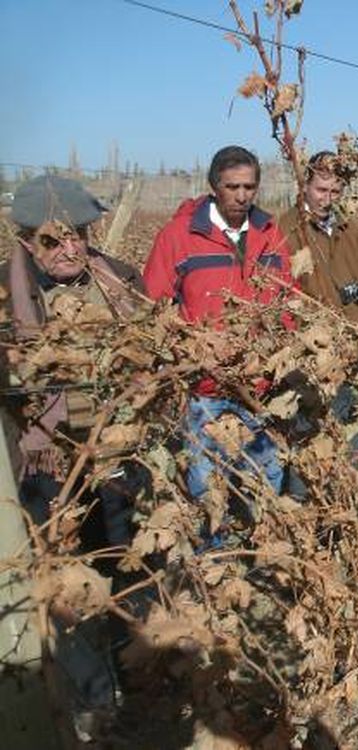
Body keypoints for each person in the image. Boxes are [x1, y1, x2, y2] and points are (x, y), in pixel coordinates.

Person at [1, 175, 150, 729]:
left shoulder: (120, 282)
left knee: (131, 567)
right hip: (45, 469)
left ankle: (136, 671)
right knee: (63, 584)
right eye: (52, 240)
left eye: (79, 235)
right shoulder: (3, 296)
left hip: (118, 458)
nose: (70, 249)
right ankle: (93, 697)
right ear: (25, 242)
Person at [143, 145, 294, 504]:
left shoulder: (270, 235)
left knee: (267, 481)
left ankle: (263, 554)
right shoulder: (179, 237)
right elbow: (153, 309)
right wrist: (188, 355)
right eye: (232, 187)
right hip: (206, 392)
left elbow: (289, 302)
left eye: (249, 187)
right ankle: (212, 558)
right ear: (214, 186)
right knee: (208, 490)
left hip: (261, 388)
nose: (242, 196)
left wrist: (281, 359)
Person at [278, 150, 358, 325]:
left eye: (335, 192)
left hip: (355, 335)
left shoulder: (349, 229)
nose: (327, 199)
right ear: (304, 186)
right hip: (314, 339)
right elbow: (285, 296)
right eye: (321, 190)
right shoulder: (287, 230)